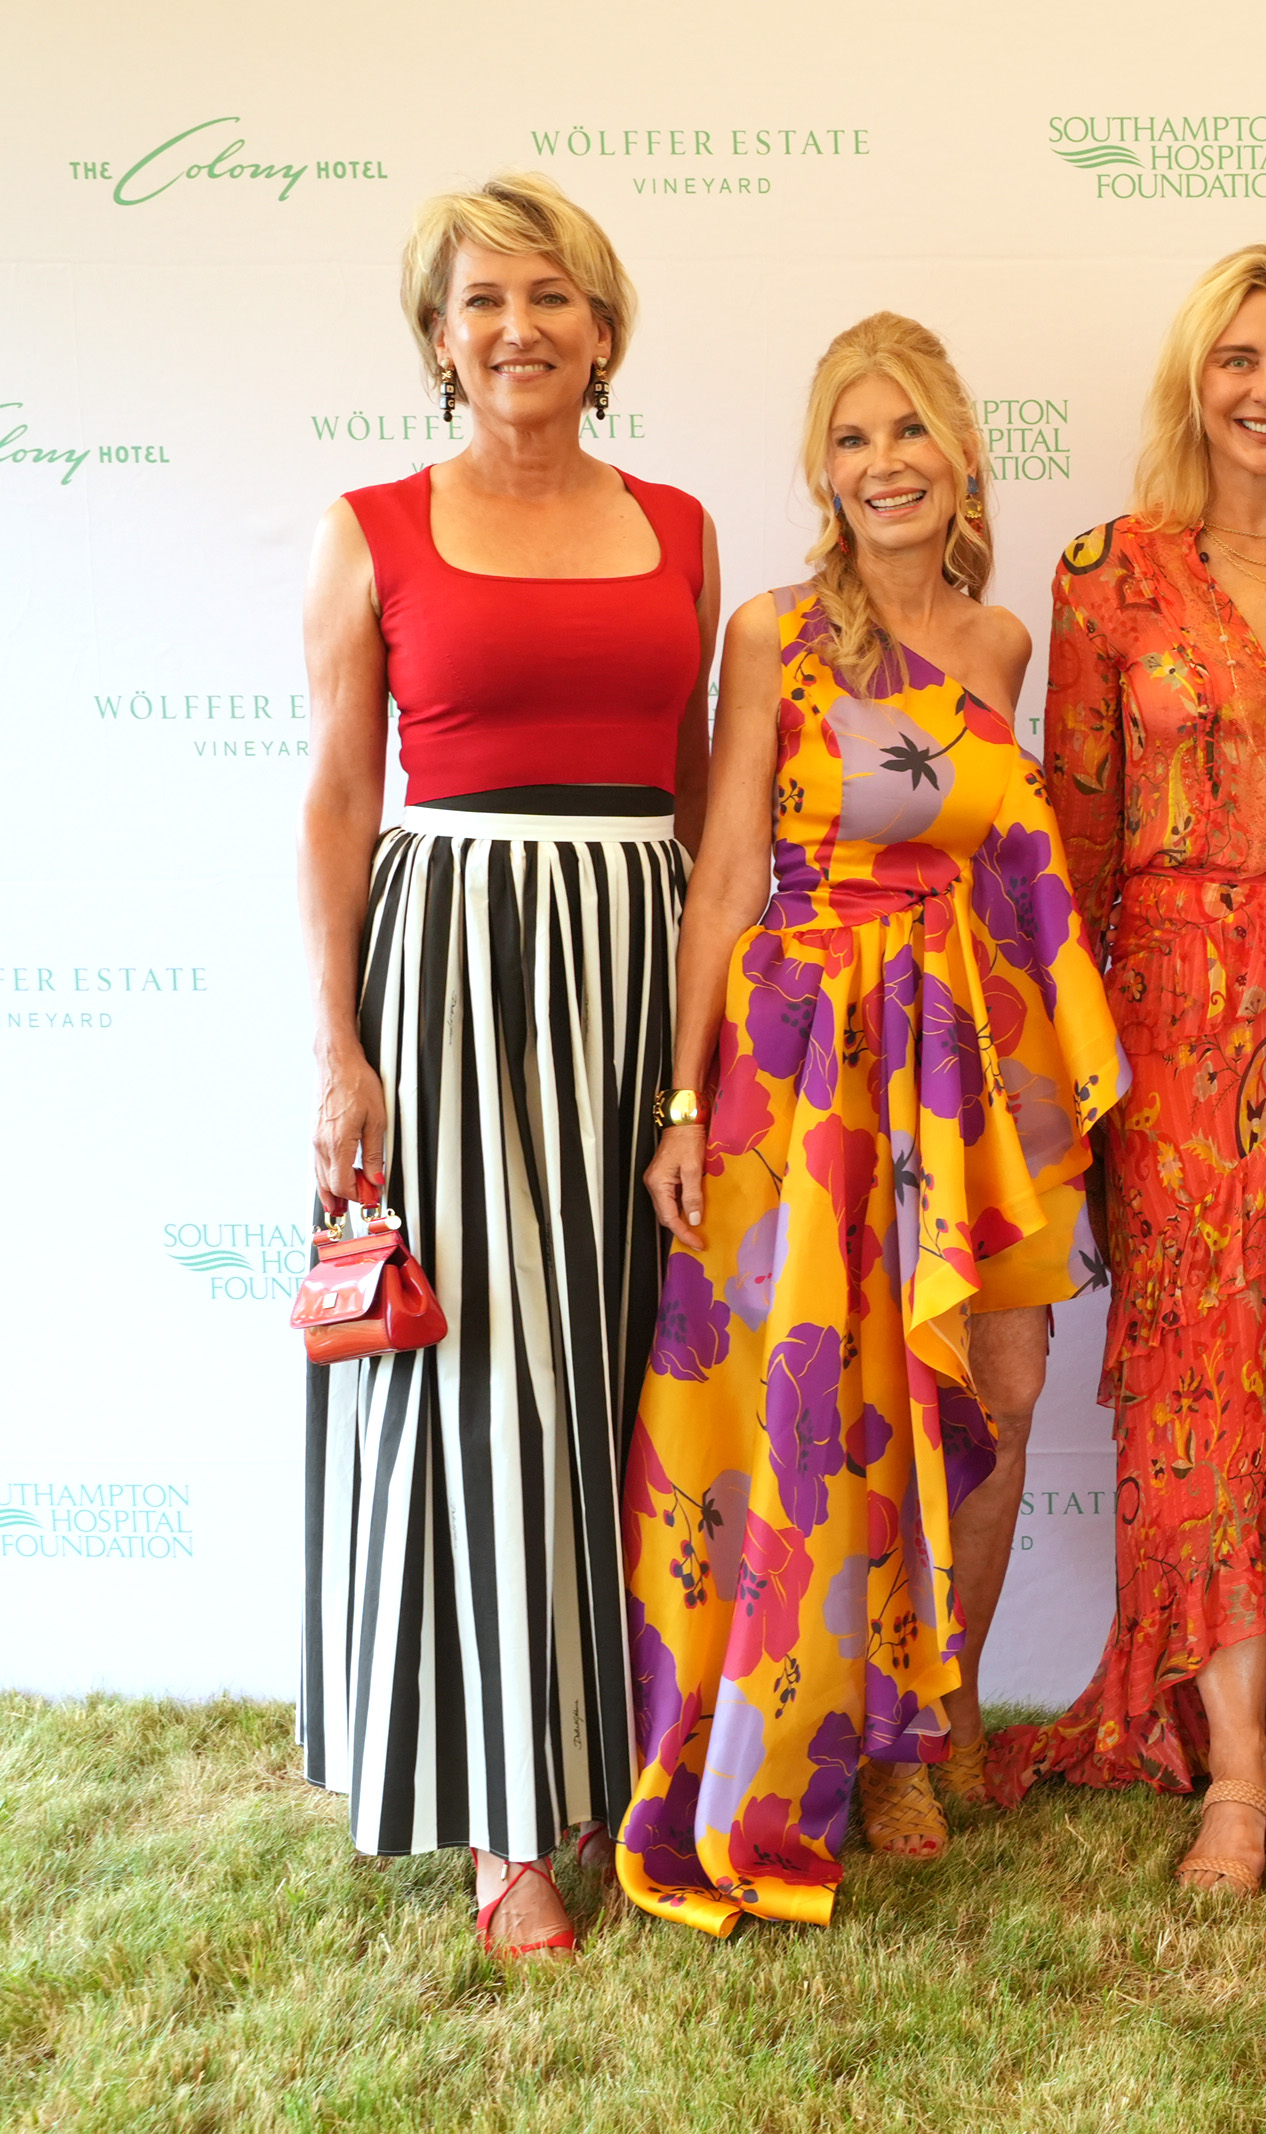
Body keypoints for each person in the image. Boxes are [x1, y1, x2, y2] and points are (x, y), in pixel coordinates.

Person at [612, 314, 1124, 1934]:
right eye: (852, 438)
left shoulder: (999, 645)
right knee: (820, 1416)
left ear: (964, 453)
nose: (885, 462)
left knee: (1003, 1378)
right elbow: (718, 873)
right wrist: (686, 1098)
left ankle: (939, 1704)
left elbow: (1001, 864)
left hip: (963, 1063)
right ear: (820, 470)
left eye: (912, 433)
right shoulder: (770, 630)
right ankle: (852, 1741)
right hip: (802, 1058)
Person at [989, 244, 1266, 1896]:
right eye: (1241, 356)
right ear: (1197, 376)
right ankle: (1235, 1756)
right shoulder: (1108, 572)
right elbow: (1078, 840)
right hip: (1175, 1022)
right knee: (1206, 1379)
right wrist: (1074, 1083)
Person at [297, 172, 714, 1961]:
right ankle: (499, 1823)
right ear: (435, 339)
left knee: (634, 1369)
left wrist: (708, 1062)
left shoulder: (683, 525)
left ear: (604, 332)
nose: (518, 328)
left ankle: (639, 1761)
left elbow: (702, 798)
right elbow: (333, 794)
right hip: (455, 969)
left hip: (638, 956)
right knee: (489, 1391)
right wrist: (338, 1047)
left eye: (551, 297)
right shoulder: (375, 524)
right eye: (480, 301)